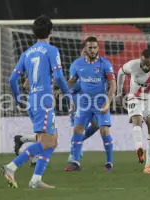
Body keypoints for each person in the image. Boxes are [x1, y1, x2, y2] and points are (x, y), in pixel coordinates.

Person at [0, 15, 71, 188]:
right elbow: (60, 77)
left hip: (33, 101)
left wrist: (18, 99)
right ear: (51, 31)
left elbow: (12, 79)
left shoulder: (26, 54)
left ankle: (36, 179)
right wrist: (68, 94)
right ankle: (11, 167)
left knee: (52, 140)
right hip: (44, 102)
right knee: (46, 142)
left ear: (33, 33)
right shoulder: (51, 50)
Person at [65, 36, 116, 172]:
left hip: (100, 103)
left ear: (98, 48)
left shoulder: (105, 64)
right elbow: (72, 81)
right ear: (85, 49)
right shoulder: (77, 64)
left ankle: (109, 162)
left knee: (104, 130)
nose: (92, 50)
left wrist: (107, 103)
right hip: (84, 103)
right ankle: (75, 162)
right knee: (77, 129)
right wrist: (59, 88)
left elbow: (112, 84)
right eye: (90, 47)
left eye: (94, 47)